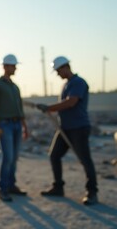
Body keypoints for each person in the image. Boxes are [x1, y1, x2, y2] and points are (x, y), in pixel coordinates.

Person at [36, 56, 98, 205]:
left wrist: (49, 108)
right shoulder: (67, 84)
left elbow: (71, 102)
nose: (58, 74)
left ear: (66, 67)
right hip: (65, 128)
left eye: (58, 71)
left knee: (85, 160)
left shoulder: (78, 82)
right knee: (54, 155)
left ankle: (92, 192)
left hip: (79, 128)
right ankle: (58, 187)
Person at [0, 54, 29, 202]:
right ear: (6, 66)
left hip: (17, 124)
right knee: (8, 157)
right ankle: (3, 189)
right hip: (5, 125)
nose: (15, 68)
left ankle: (12, 186)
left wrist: (24, 127)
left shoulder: (15, 87)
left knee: (15, 157)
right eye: (13, 65)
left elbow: (20, 108)